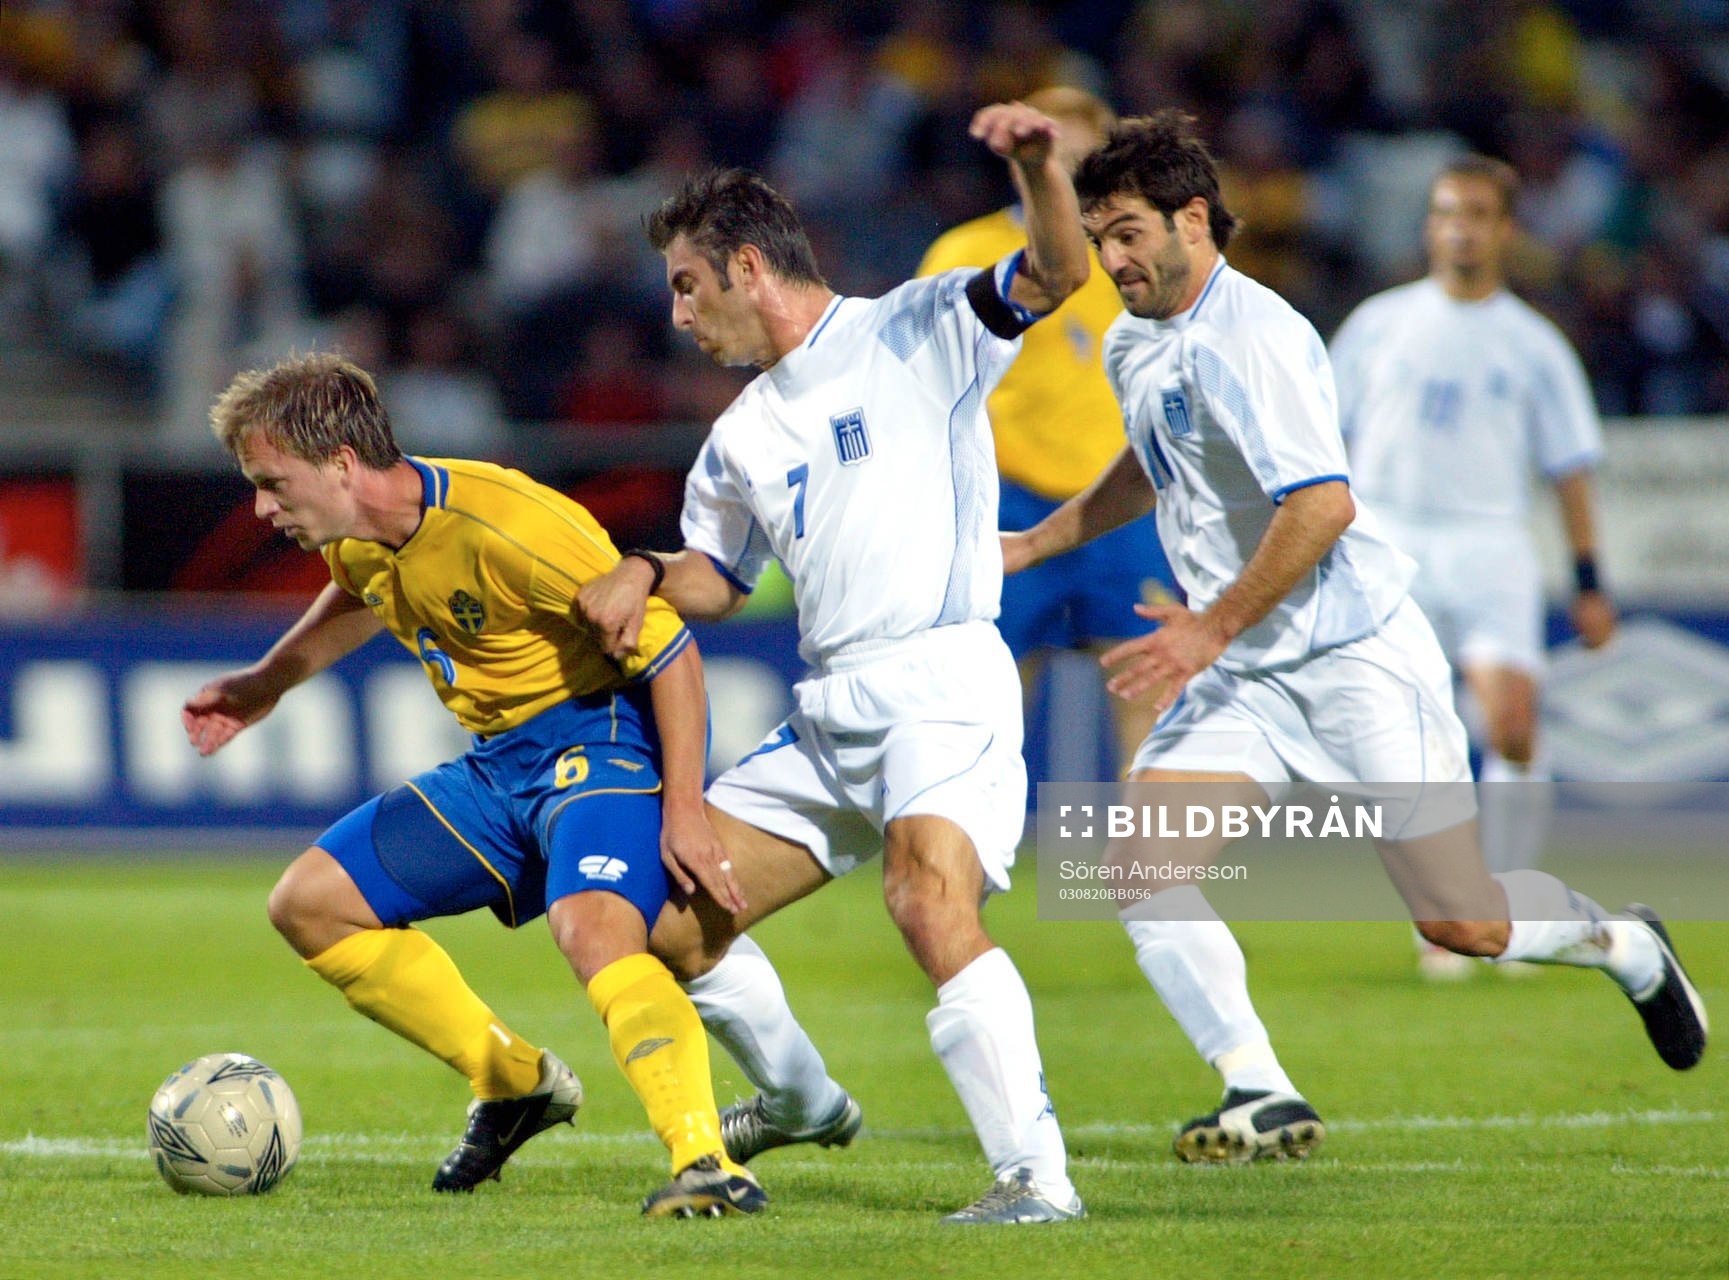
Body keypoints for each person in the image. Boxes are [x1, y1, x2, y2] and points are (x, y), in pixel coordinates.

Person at [1001, 111, 1708, 1165]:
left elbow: (1321, 504)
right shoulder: (1131, 337)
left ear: (1193, 220)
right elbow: (1156, 462)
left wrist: (1210, 624)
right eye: (1098, 236)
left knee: (1458, 923)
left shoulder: (1260, 336)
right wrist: (1038, 541)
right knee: (1139, 861)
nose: (1109, 259)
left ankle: (1624, 942)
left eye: (1128, 233)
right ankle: (1259, 1084)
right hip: (1244, 673)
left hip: (1351, 659)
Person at [580, 101, 1092, 1224]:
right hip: (833, 704)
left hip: (941, 678)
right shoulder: (739, 436)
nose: (677, 314)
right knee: (672, 921)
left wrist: (1044, 172)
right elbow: (716, 575)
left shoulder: (915, 327)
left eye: (684, 283)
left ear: (745, 266)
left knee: (924, 895)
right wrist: (645, 571)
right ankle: (804, 1099)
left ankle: (1035, 1178)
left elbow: (1056, 273)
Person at [182, 352, 765, 1218]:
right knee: (309, 902)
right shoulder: (356, 533)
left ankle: (706, 1161)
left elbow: (670, 650)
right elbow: (355, 591)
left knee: (594, 930)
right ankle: (513, 1082)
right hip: (499, 767)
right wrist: (267, 682)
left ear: (341, 465)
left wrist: (684, 812)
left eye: (272, 483)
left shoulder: (508, 526)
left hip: (597, 738)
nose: (261, 508)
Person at [1329, 154, 1617, 979]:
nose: (1460, 227)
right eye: (1447, 211)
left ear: (1503, 229)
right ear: (1429, 225)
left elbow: (1570, 467)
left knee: (1512, 726)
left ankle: (1510, 900)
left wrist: (1590, 582)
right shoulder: (1377, 325)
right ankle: (1442, 917)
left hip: (1491, 542)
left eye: (1477, 214)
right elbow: (1319, 439)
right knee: (1406, 742)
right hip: (1390, 540)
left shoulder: (1531, 343)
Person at [917, 86, 1176, 773]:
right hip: (1002, 499)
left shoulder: (1136, 257)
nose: (1056, 168)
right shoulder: (964, 251)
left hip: (1122, 502)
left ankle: (1157, 877)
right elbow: (922, 383)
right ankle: (959, 869)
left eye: (1073, 154)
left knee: (1148, 693)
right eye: (1042, 153)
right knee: (984, 696)